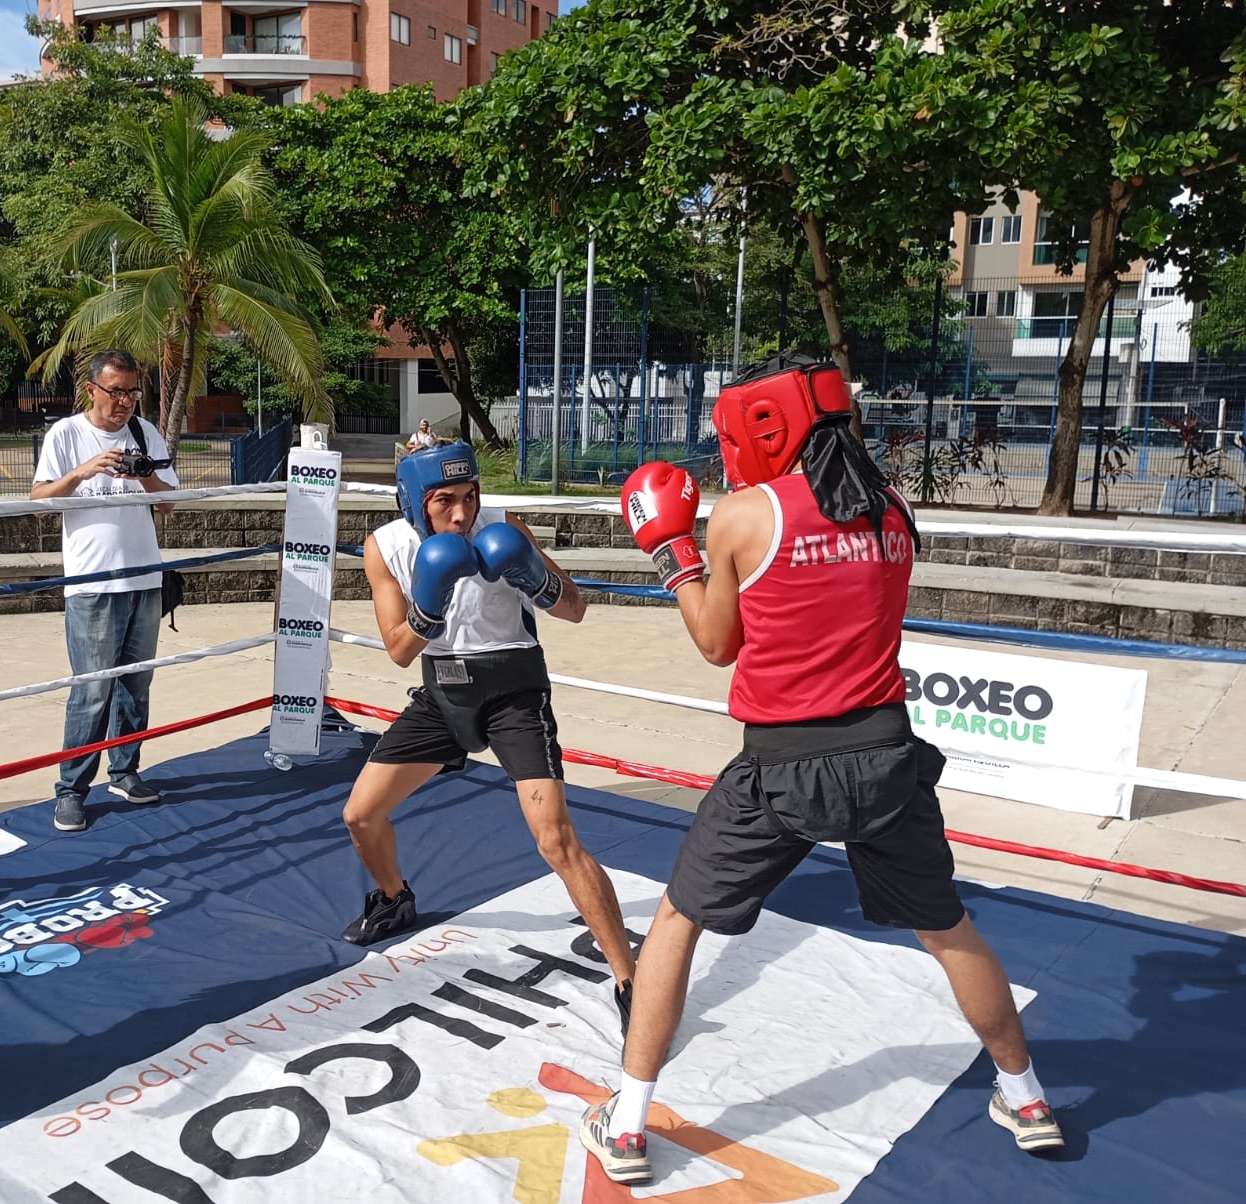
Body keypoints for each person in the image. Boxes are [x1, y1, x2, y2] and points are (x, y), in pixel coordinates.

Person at [580, 354, 1061, 1186]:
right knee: (948, 929)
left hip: (780, 767)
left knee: (674, 925)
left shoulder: (742, 515)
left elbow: (714, 644)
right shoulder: (893, 511)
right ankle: (1027, 1097)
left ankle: (626, 1125)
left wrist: (670, 552)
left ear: (762, 426)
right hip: (883, 759)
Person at [340, 440, 639, 1024]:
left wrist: (536, 580)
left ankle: (629, 977)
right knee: (360, 815)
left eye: (469, 497)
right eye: (444, 501)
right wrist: (431, 600)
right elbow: (400, 651)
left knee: (555, 839)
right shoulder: (386, 548)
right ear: (412, 502)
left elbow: (575, 609)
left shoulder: (505, 528)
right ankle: (396, 899)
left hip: (514, 693)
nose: (461, 514)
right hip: (441, 695)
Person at [30, 349, 180, 832]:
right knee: (92, 691)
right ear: (91, 389)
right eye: (116, 391)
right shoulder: (67, 434)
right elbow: (37, 502)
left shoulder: (146, 433)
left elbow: (172, 503)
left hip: (144, 578)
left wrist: (145, 474)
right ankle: (72, 790)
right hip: (92, 585)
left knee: (136, 683)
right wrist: (82, 471)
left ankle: (125, 771)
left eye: (133, 391)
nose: (125, 402)